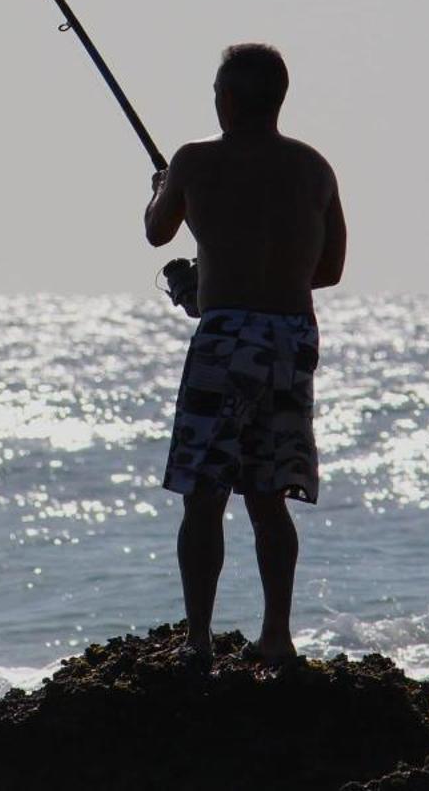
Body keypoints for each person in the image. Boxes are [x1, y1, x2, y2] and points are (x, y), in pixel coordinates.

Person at [144, 43, 347, 666]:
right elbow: (331, 270)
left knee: (204, 494)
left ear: (227, 99)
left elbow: (157, 229)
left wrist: (162, 189)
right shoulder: (314, 168)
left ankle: (199, 641)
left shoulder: (195, 160)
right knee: (268, 494)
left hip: (227, 337)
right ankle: (277, 638)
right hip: (292, 335)